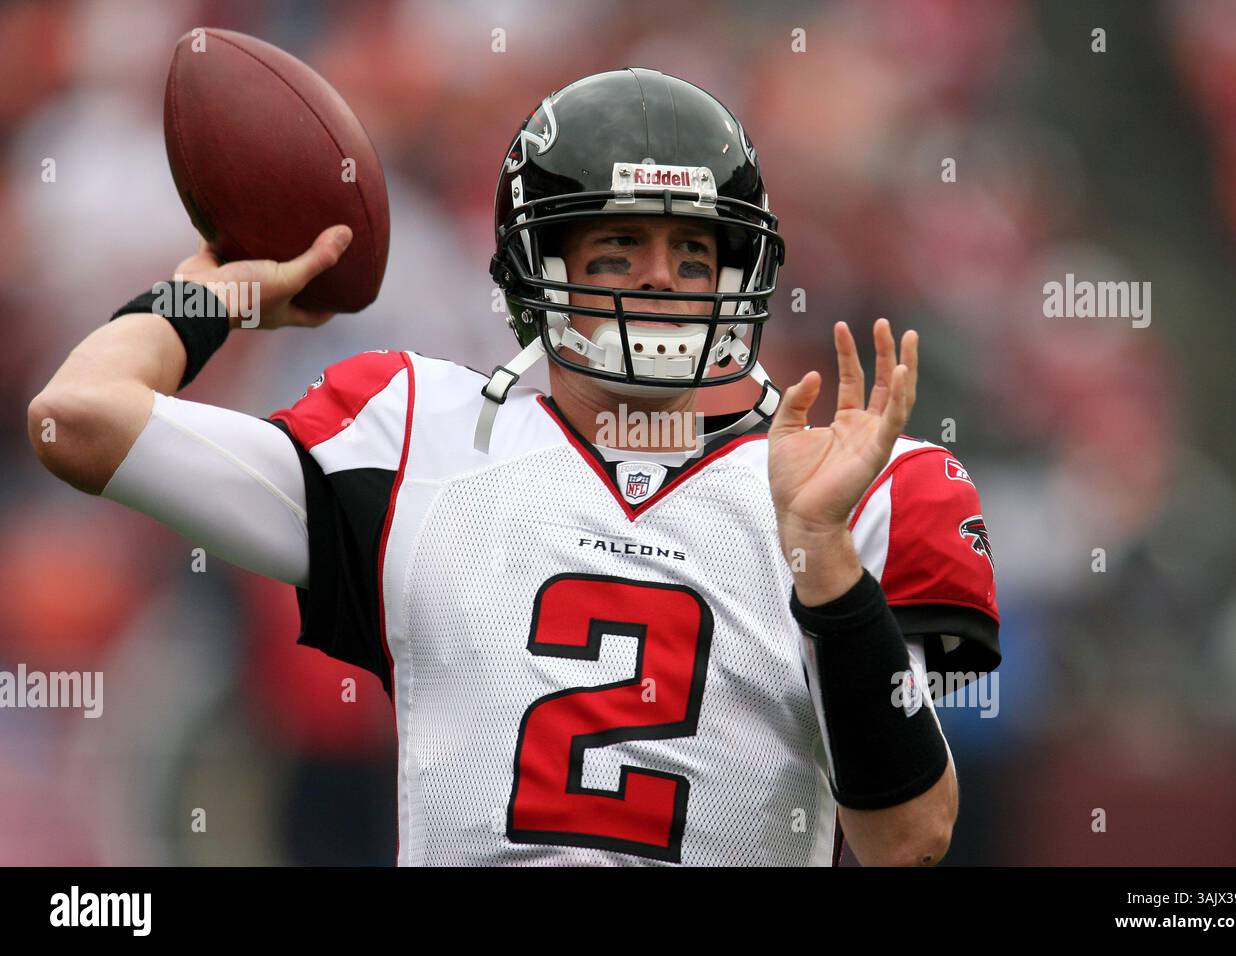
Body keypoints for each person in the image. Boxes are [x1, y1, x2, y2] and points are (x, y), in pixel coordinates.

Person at [28, 68, 999, 866]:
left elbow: (909, 837)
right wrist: (214, 291)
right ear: (540, 268)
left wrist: (825, 563)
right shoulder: (418, 436)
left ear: (739, 277)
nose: (660, 277)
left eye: (692, 253)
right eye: (619, 246)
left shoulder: (857, 490)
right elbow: (76, 420)